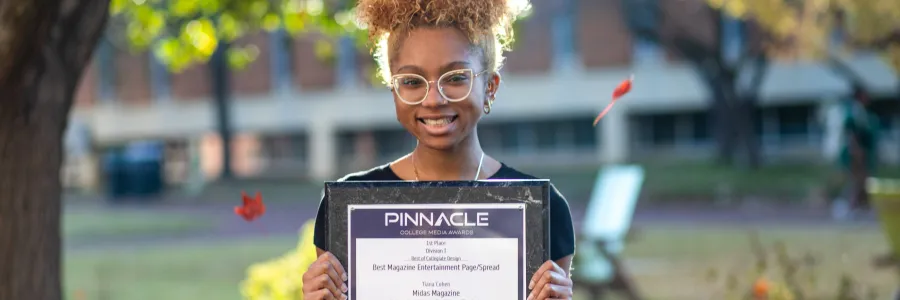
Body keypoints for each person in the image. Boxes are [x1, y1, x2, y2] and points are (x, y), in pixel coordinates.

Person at [300, 0, 577, 299]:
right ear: (394, 91)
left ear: (491, 87)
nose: (433, 99)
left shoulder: (543, 210)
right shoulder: (348, 208)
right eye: (411, 81)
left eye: (456, 78)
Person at [832, 85, 881, 219]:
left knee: (864, 181)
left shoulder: (862, 111)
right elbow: (851, 131)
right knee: (858, 181)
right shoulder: (855, 110)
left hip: (863, 152)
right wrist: (856, 150)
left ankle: (860, 208)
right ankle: (848, 208)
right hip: (855, 153)